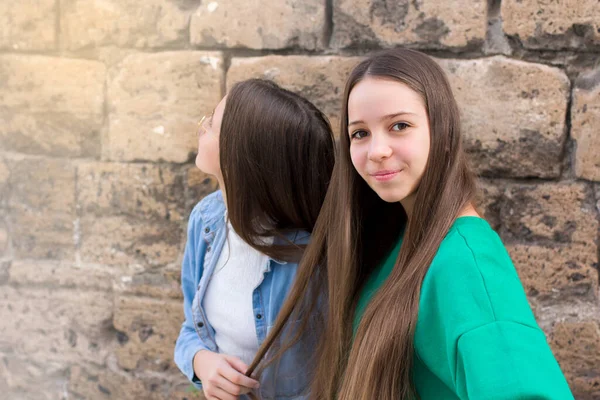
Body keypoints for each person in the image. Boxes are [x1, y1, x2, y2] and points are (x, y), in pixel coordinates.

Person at [250, 48, 574, 399]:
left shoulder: (465, 262)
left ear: (442, 130)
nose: (377, 150)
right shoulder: (401, 239)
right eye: (360, 133)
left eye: (399, 126)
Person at [174, 78, 335, 400]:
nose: (201, 127)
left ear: (242, 155)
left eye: (213, 124)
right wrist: (201, 363)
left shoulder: (314, 260)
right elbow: (191, 329)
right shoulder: (206, 220)